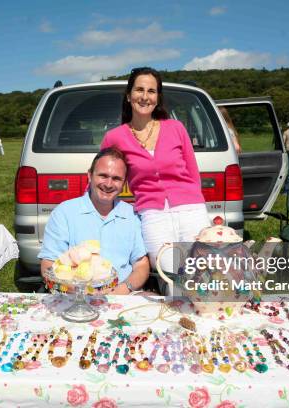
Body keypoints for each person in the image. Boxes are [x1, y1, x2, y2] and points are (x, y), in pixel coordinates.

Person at [100, 67, 209, 272]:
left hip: (191, 210)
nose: (145, 96)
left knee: (203, 273)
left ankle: (210, 306)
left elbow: (193, 174)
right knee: (169, 274)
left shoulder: (176, 128)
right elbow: (103, 175)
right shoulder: (114, 137)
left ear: (158, 98)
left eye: (151, 91)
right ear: (128, 95)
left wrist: (194, 203)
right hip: (152, 215)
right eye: (139, 90)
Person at [38, 147, 150, 295]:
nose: (109, 184)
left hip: (122, 295)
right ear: (90, 175)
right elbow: (48, 266)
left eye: (116, 178)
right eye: (103, 175)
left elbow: (141, 264)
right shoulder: (64, 212)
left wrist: (122, 290)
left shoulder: (131, 214)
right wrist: (79, 292)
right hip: (73, 297)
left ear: (124, 183)